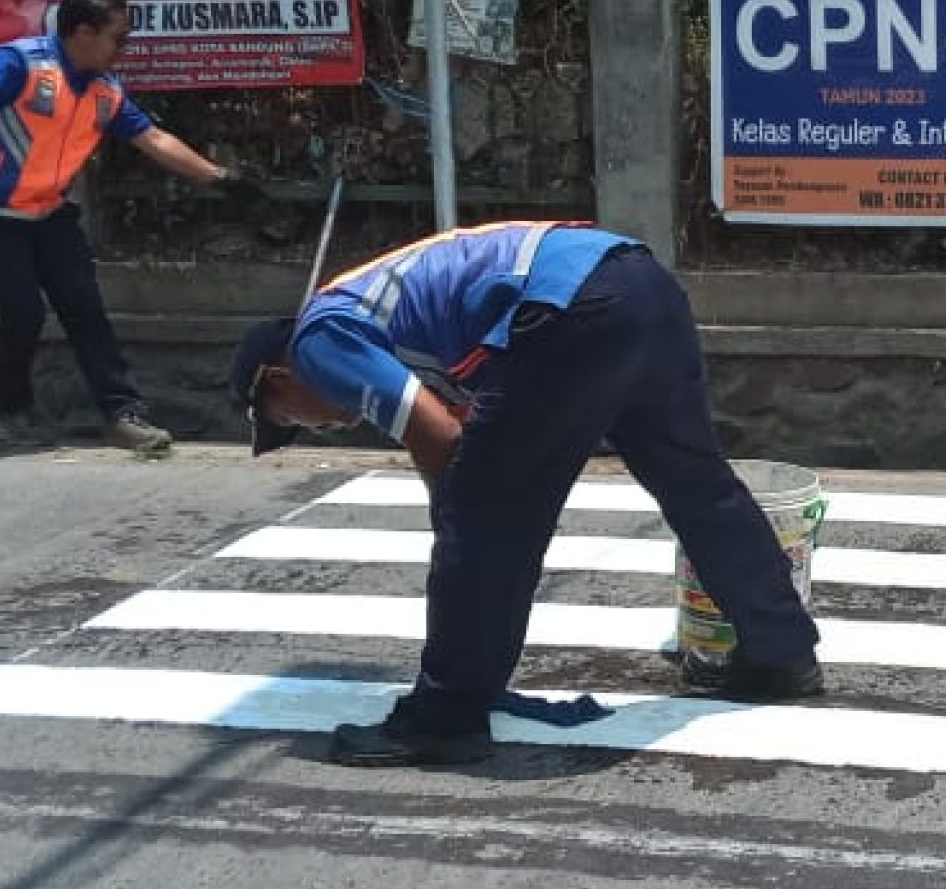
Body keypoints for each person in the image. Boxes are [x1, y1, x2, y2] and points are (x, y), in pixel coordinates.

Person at [230, 220, 824, 768]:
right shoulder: (367, 308)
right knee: (696, 482)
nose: (320, 424)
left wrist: (462, 524)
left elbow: (438, 436)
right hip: (639, 281)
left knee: (483, 514)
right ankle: (782, 653)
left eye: (290, 418)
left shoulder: (320, 338)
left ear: (276, 379)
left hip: (569, 305)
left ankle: (446, 715)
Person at [0, 0, 248, 455]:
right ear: (83, 33)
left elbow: (153, 139)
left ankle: (123, 414)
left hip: (48, 212)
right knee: (23, 313)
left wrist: (220, 178)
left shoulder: (105, 91)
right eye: (118, 38)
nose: (123, 49)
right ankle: (10, 407)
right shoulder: (21, 62)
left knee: (86, 309)